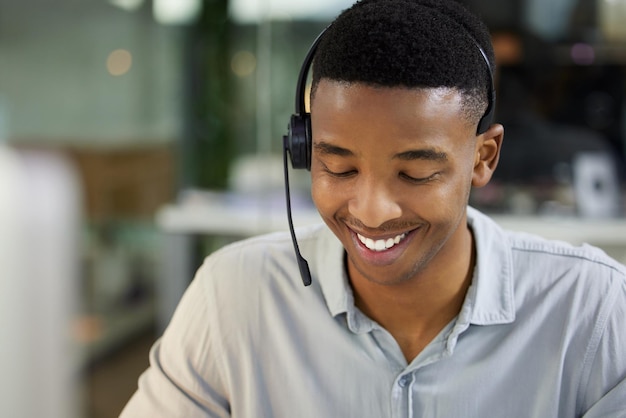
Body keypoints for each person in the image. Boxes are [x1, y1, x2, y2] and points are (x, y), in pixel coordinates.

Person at [120, 0, 626, 416]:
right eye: (338, 168)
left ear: (483, 158)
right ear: (302, 150)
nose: (373, 210)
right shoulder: (233, 298)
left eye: (416, 173)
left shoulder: (593, 312)